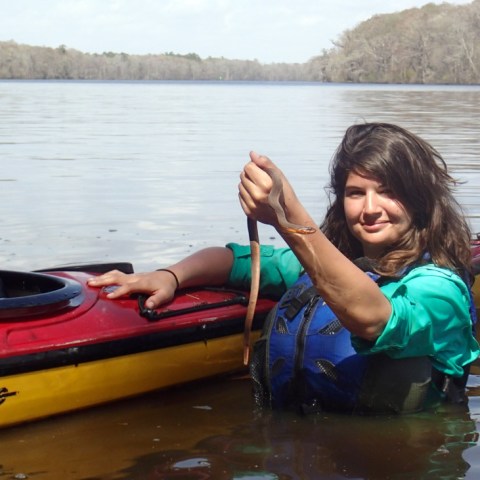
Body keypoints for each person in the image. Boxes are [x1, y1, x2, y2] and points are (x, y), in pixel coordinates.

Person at [88, 122, 479, 413]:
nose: (370, 208)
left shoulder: (440, 289)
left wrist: (288, 217)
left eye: (389, 192)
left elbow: (374, 319)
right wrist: (170, 276)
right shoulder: (319, 267)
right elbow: (234, 262)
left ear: (421, 200)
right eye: (355, 193)